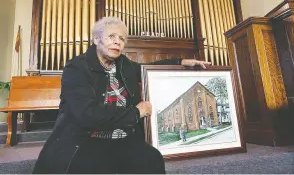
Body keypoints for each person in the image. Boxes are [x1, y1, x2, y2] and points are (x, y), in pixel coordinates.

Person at [33, 17, 211, 174]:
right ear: (96, 39)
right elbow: (87, 114)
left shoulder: (123, 64)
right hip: (86, 139)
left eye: (122, 39)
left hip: (125, 136)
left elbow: (148, 68)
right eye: (112, 37)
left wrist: (181, 62)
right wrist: (136, 112)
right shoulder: (76, 68)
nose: (118, 42)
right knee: (98, 167)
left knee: (152, 158)